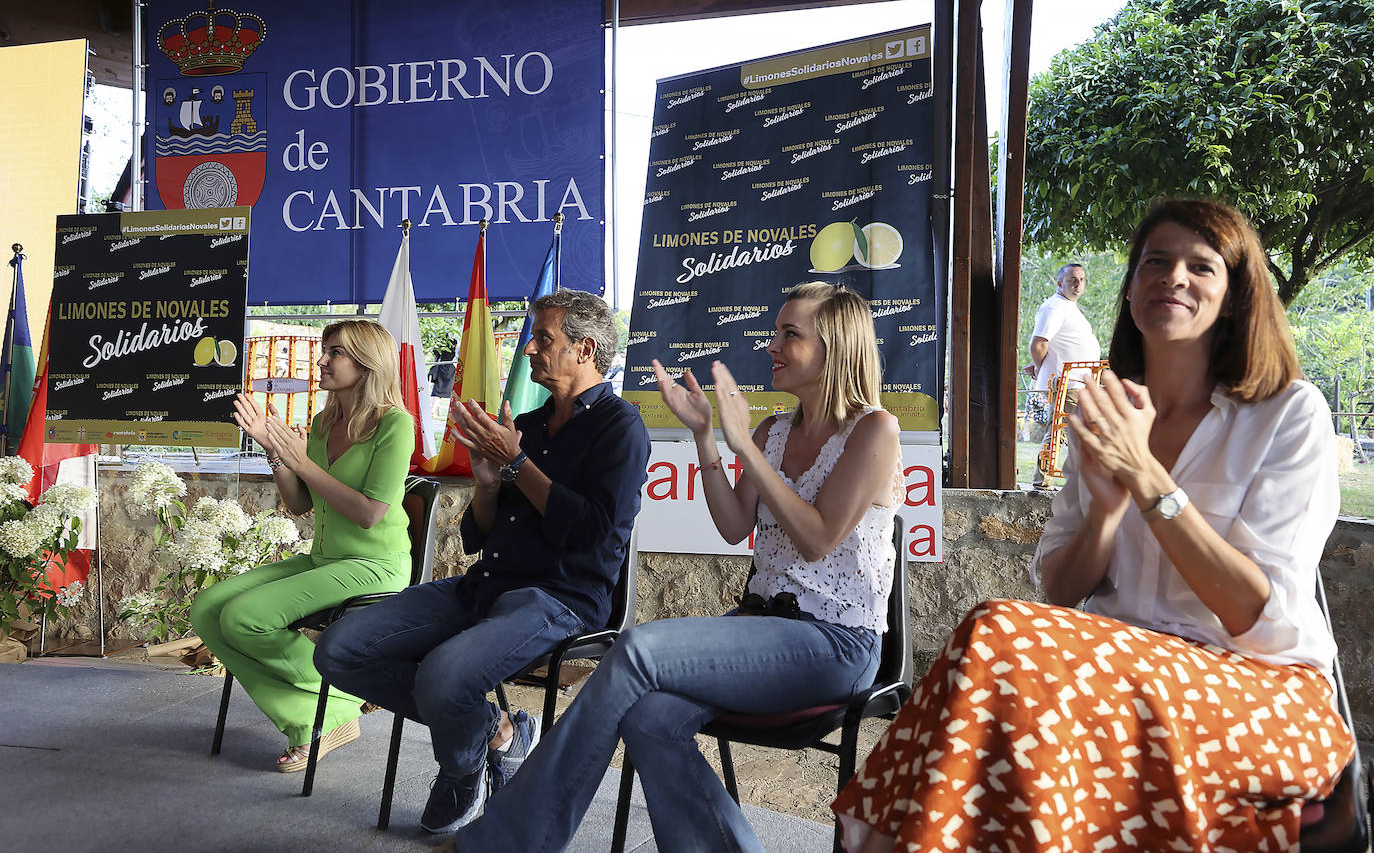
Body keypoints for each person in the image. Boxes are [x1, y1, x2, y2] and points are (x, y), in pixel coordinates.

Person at [833, 199, 1355, 852]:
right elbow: (1061, 590)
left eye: (1202, 266)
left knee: (999, 637)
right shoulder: (1107, 407)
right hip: (1110, 672)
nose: (1174, 278)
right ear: (1131, 287)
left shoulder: (1287, 414)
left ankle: (886, 839)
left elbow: (1256, 611)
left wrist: (1144, 475)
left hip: (1262, 690)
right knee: (1005, 680)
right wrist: (1107, 509)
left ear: (1235, 295)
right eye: (1155, 263)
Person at [450, 281, 902, 853]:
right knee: (649, 720)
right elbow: (736, 525)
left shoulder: (874, 429)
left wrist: (748, 449)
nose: (772, 345)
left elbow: (817, 539)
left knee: (634, 649)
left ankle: (507, 843)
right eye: (776, 330)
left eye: (791, 334)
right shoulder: (774, 431)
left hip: (838, 644)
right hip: (761, 628)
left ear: (836, 347)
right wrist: (707, 437)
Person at [312, 288, 649, 834]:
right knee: (339, 648)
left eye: (544, 338)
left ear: (585, 350)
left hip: (562, 599)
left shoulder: (620, 427)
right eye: (532, 335)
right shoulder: (531, 425)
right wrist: (489, 484)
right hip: (485, 586)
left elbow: (590, 532)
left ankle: (461, 771)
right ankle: (498, 734)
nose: (530, 348)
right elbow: (482, 533)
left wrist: (514, 462)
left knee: (443, 678)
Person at [190, 319, 414, 772]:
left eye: (335, 352)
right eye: (325, 350)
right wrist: (274, 450)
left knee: (245, 617)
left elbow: (370, 513)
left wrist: (301, 462)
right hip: (324, 558)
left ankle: (343, 696)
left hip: (376, 563)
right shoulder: (324, 420)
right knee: (208, 610)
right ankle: (327, 712)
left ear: (367, 363)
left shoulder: (395, 424)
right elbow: (299, 504)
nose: (321, 360)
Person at [1025, 262, 1100, 488]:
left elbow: (1058, 345)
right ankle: (1043, 480)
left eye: (1082, 279)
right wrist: (1040, 367)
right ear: (1059, 283)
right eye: (1072, 279)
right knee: (1059, 431)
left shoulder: (1068, 307)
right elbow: (1038, 343)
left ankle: (1061, 480)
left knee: (1071, 432)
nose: (1078, 283)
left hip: (1078, 383)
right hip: (1066, 383)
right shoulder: (1054, 307)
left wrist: (1041, 364)